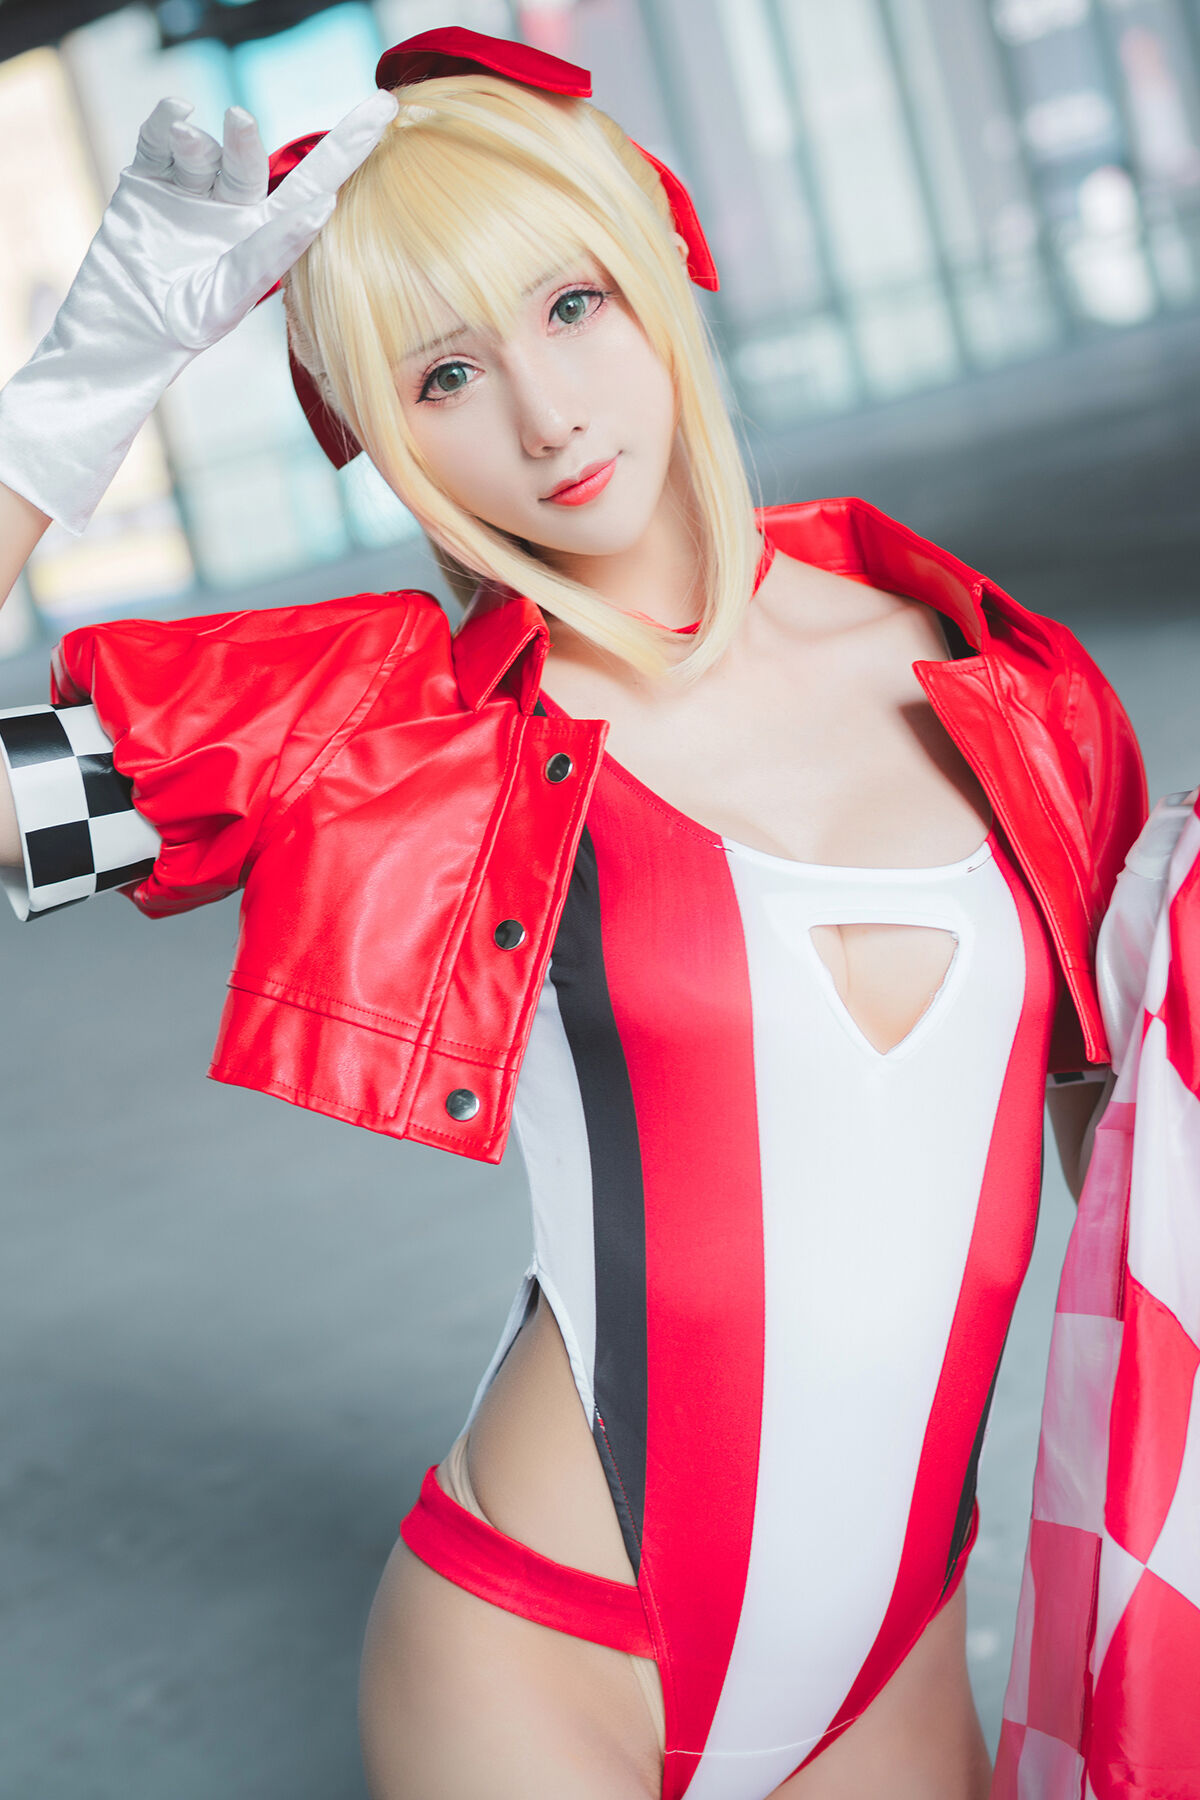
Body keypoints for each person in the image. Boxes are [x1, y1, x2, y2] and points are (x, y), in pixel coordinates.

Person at [0, 26, 1149, 1800]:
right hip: (538, 1668)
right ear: (378, 431)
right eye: (445, 375)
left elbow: (1121, 1157)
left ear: (657, 272)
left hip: (892, 1670)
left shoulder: (1002, 678)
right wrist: (84, 386)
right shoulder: (394, 725)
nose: (544, 417)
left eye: (571, 308)